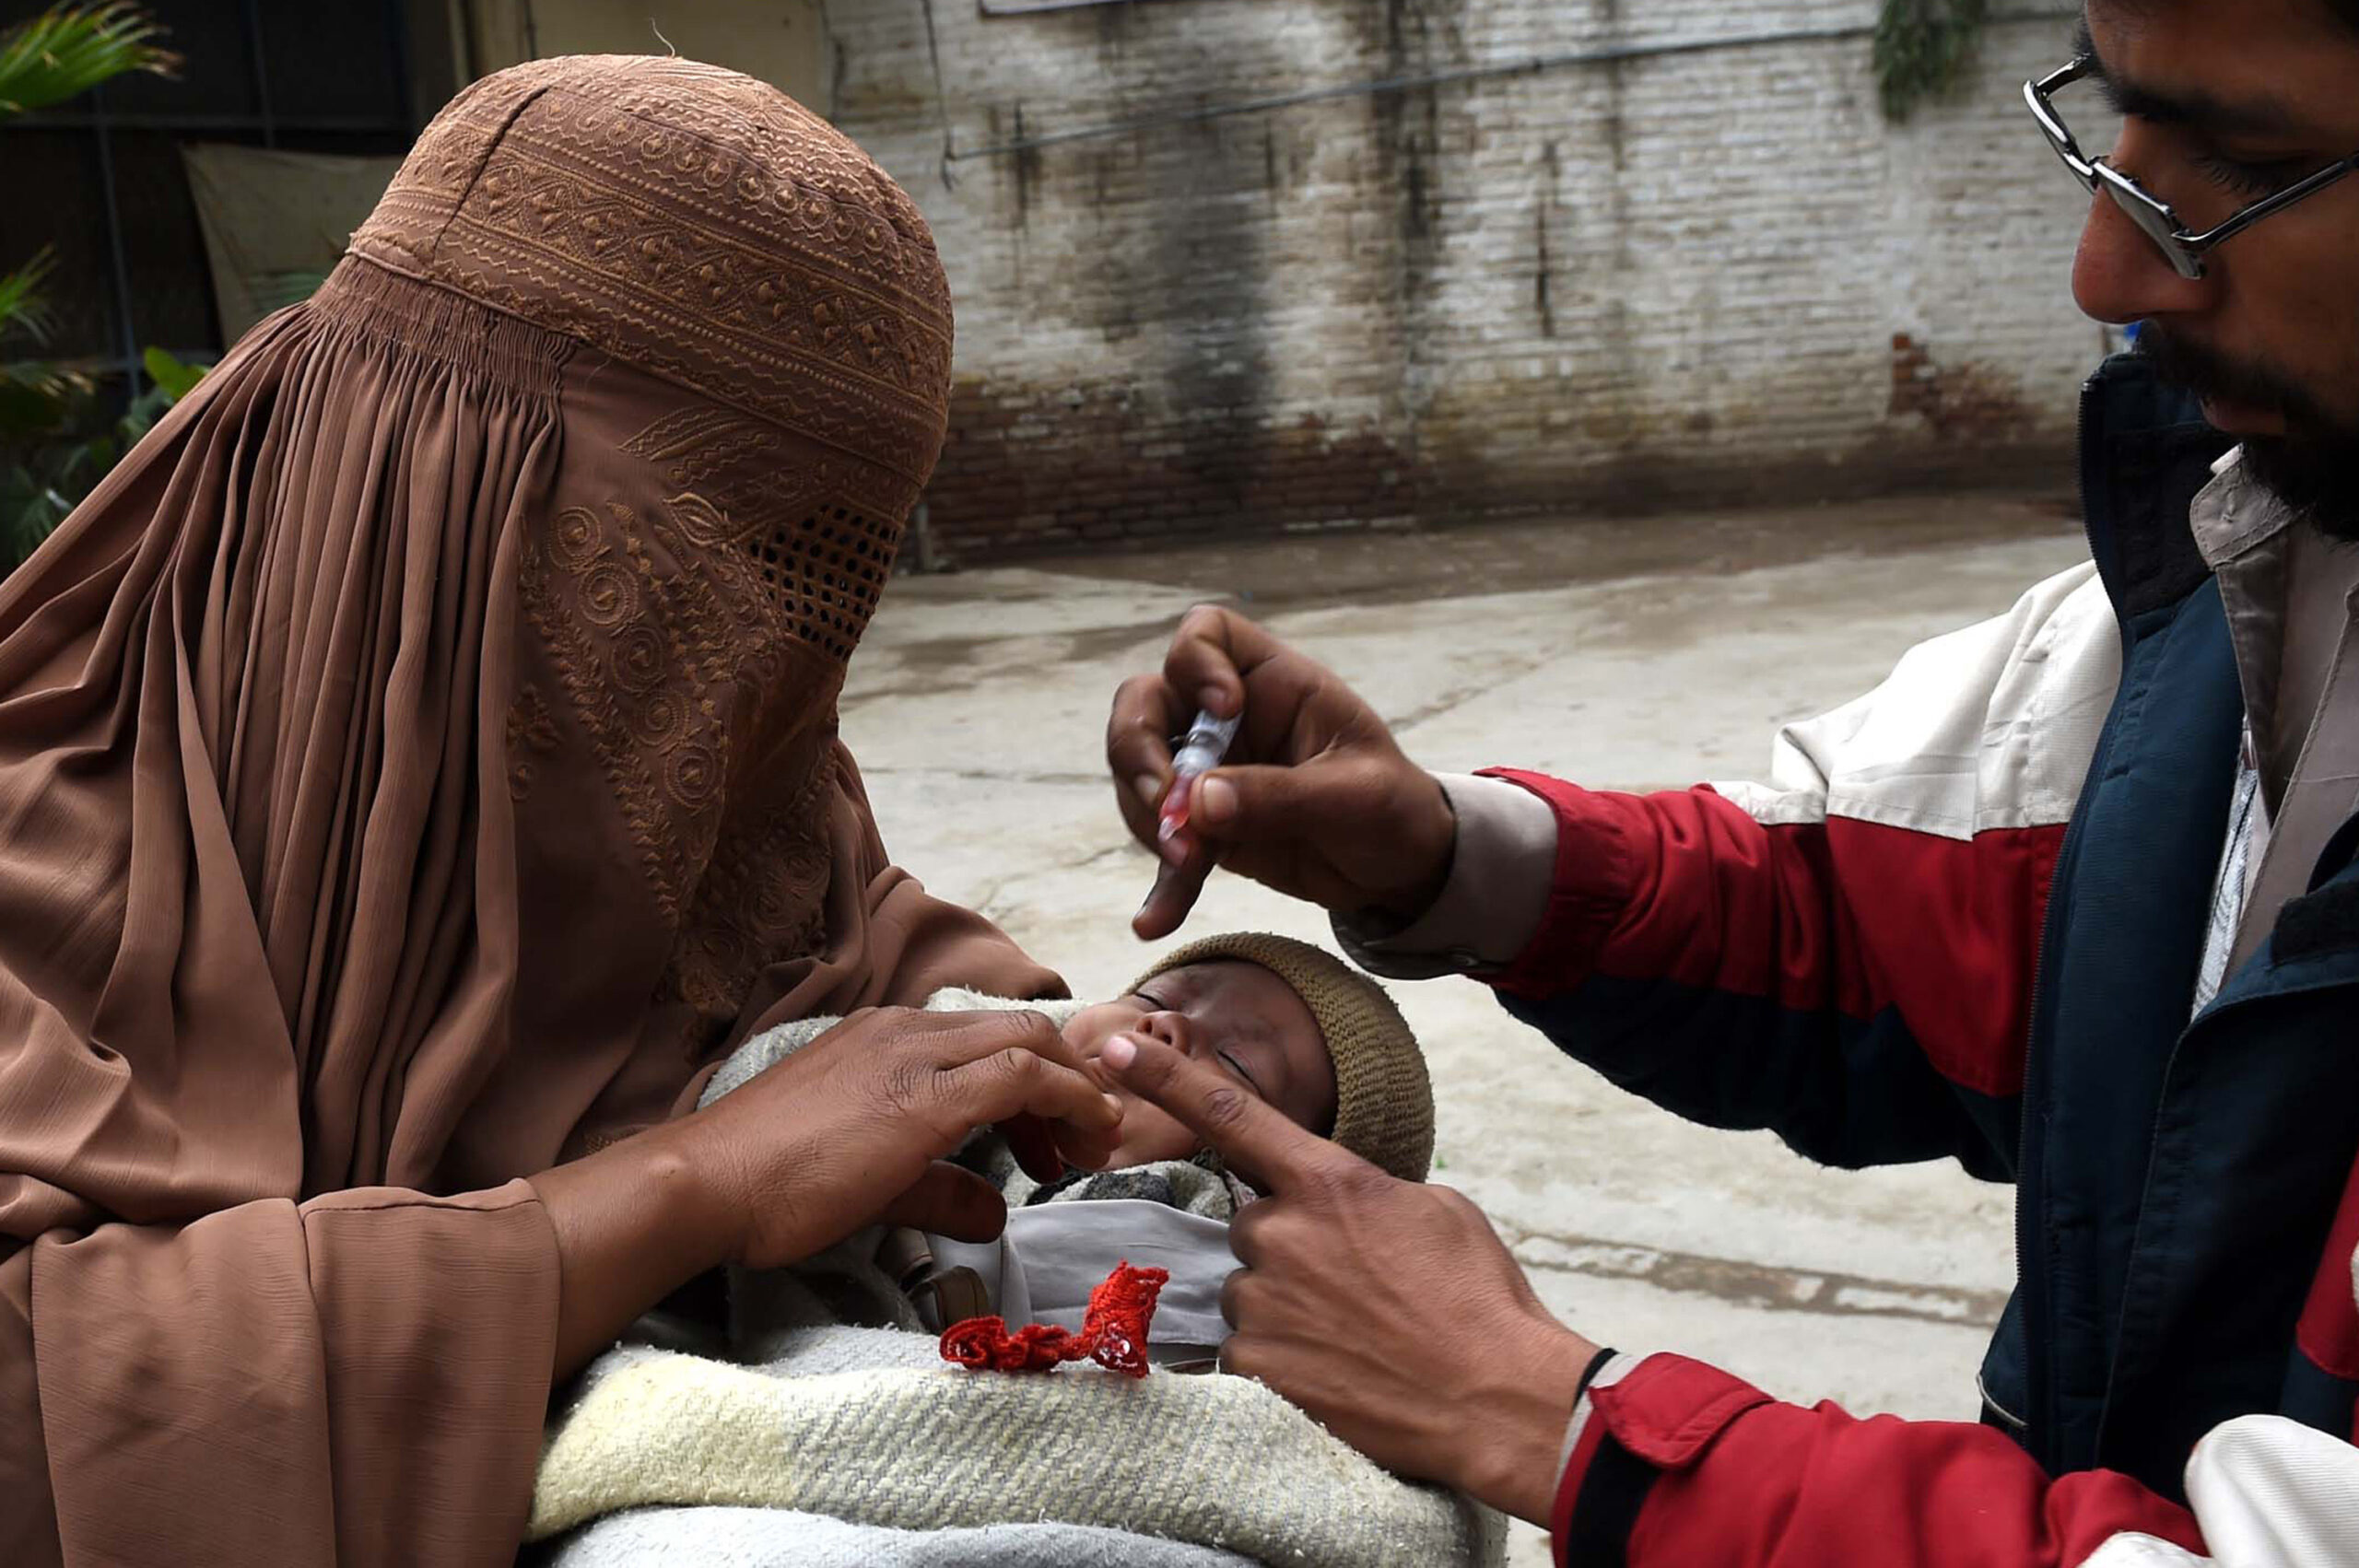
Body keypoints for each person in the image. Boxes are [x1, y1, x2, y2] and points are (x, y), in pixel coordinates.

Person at [1099, 2, 2359, 1563]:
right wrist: (1439, 851)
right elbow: (1884, 911)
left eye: (2240, 155)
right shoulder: (2257, 557)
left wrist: (1569, 1426)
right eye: (2109, 116)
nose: (2105, 269)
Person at [0, 56, 1128, 1568]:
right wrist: (678, 1192)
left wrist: (1218, 1041)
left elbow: (908, 991)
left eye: (828, 572)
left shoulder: (729, 796)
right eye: (735, 546)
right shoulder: (38, 855)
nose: (770, 644)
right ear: (417, 494)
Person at [704, 930, 1434, 1361]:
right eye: (1156, 1000)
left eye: (1239, 1066)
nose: (1164, 1032)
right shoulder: (972, 1098)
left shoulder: (1200, 1225)